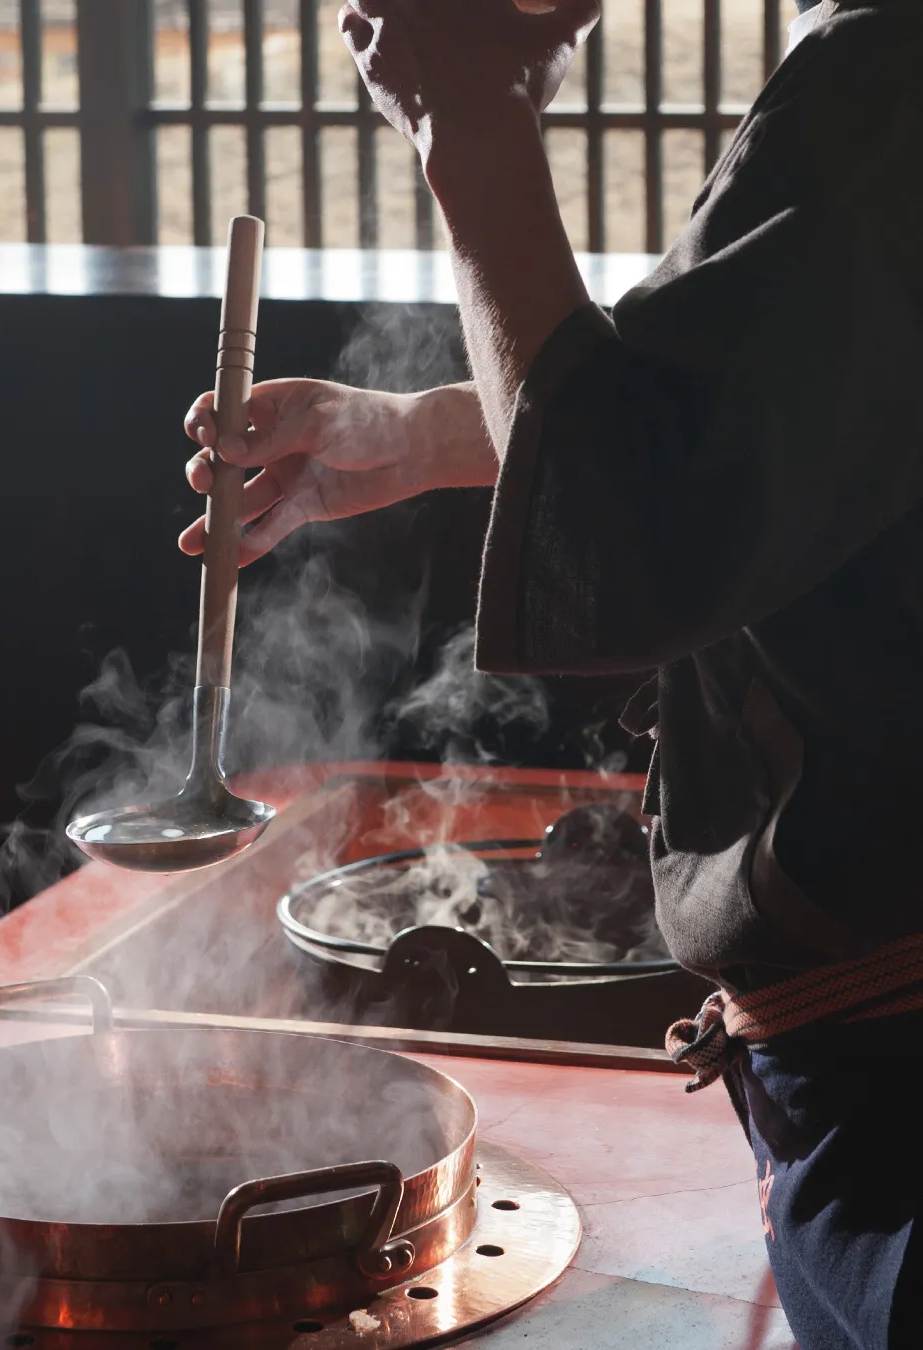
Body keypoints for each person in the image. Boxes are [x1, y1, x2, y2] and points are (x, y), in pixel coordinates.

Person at [179, 1, 923, 1344]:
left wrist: (466, 117)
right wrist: (411, 435)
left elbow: (628, 539)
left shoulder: (891, 62)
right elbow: (762, 429)